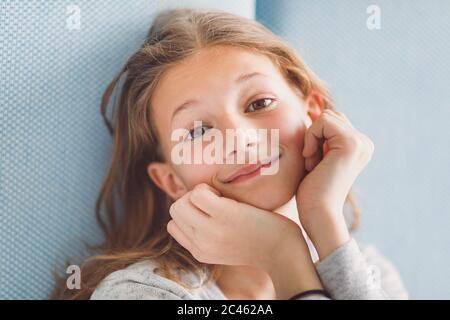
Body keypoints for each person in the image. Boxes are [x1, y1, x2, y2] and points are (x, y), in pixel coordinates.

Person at [51, 8, 408, 300]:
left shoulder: (373, 277)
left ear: (313, 114)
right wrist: (280, 253)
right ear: (172, 180)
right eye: (198, 131)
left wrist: (323, 217)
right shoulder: (144, 293)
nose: (239, 139)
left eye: (259, 103)